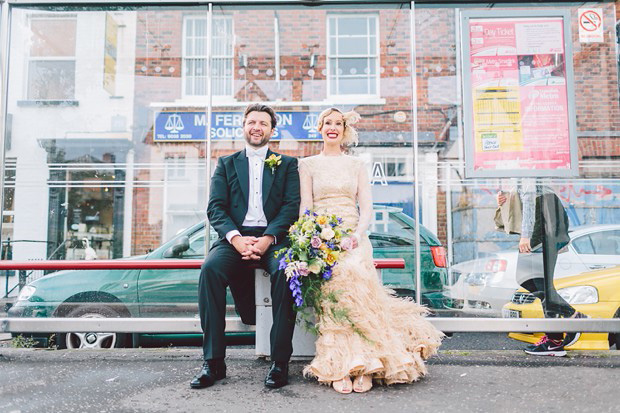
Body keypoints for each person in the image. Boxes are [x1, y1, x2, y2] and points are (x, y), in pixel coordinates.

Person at [299, 108, 443, 394]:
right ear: (320, 128)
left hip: (353, 240)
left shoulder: (356, 165)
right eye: (328, 123)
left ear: (344, 130)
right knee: (334, 302)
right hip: (323, 242)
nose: (332, 128)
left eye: (338, 124)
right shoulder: (307, 164)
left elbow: (366, 208)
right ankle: (339, 365)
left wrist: (355, 236)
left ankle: (366, 364)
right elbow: (306, 206)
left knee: (359, 298)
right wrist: (311, 239)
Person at [190, 103, 300, 389]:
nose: (257, 127)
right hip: (234, 238)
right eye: (252, 122)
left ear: (272, 130)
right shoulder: (226, 163)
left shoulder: (287, 165)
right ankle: (213, 363)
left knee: (286, 272)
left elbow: (290, 208)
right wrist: (237, 240)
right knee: (210, 270)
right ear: (244, 126)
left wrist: (265, 241)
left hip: (273, 239)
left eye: (263, 123)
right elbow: (215, 208)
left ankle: (279, 362)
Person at [496, 181, 586, 356]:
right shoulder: (520, 171)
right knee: (538, 282)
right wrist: (508, 196)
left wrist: (526, 235)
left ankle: (568, 324)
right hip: (544, 214)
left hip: (543, 214)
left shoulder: (527, 161)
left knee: (531, 278)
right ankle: (556, 337)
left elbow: (531, 198)